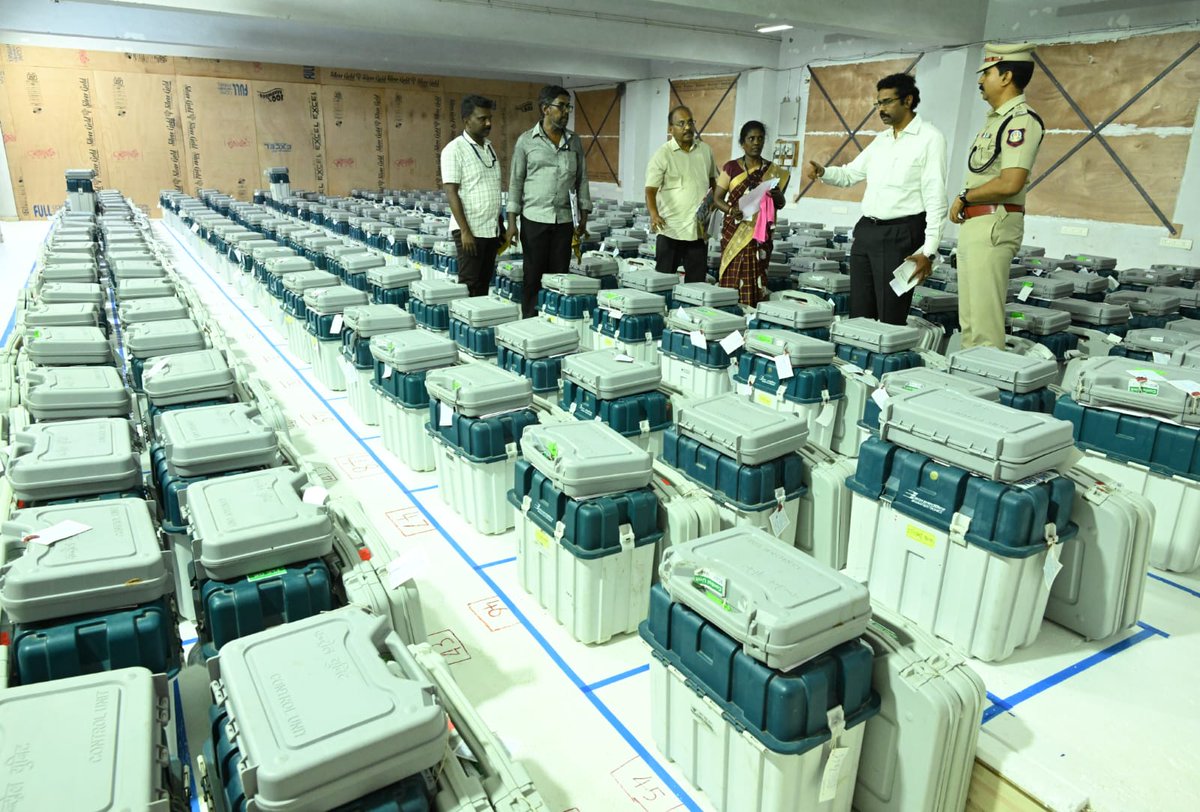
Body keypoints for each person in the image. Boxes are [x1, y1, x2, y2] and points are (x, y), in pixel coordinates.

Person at [804, 73, 947, 324]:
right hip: (868, 230)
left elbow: (936, 198)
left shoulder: (929, 139)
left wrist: (929, 251)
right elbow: (850, 174)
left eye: (887, 102)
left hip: (900, 234)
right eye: (878, 103)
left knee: (891, 313)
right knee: (860, 310)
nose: (881, 109)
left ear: (908, 100)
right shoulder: (881, 140)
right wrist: (824, 172)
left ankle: (886, 360)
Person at [951, 43, 1045, 349]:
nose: (980, 81)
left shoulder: (1020, 120)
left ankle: (984, 384)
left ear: (1005, 77)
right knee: (970, 318)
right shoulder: (996, 120)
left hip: (993, 221)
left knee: (984, 323)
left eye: (986, 74)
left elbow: (1011, 182)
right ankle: (970, 378)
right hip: (979, 222)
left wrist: (965, 197)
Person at [506, 85, 591, 317]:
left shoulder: (574, 141)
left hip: (564, 221)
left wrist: (584, 216)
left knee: (559, 277)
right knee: (533, 277)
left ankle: (553, 320)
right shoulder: (526, 141)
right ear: (545, 109)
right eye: (561, 106)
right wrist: (512, 222)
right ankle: (530, 322)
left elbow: (582, 180)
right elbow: (515, 182)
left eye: (568, 107)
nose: (566, 112)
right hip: (535, 219)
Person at [712, 121, 789, 306]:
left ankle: (752, 312)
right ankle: (727, 310)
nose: (756, 142)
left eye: (760, 138)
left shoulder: (774, 172)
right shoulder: (731, 168)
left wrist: (777, 194)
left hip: (758, 236)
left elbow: (780, 204)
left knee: (756, 275)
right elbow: (717, 199)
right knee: (732, 272)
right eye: (751, 138)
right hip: (734, 232)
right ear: (742, 142)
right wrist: (732, 210)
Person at [645, 105, 718, 282]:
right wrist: (654, 215)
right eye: (681, 123)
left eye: (690, 122)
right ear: (671, 129)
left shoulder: (705, 151)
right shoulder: (663, 154)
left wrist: (713, 209)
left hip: (697, 231)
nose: (687, 127)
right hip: (671, 230)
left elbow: (713, 182)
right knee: (663, 282)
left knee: (696, 283)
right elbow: (650, 190)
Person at [441, 94, 502, 297]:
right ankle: (467, 326)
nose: (488, 123)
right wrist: (465, 231)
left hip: (490, 229)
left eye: (490, 118)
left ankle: (480, 324)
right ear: (466, 120)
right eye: (482, 118)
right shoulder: (454, 150)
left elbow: (490, 187)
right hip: (470, 231)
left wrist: (499, 223)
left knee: (484, 282)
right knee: (469, 283)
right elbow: (451, 192)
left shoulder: (489, 147)